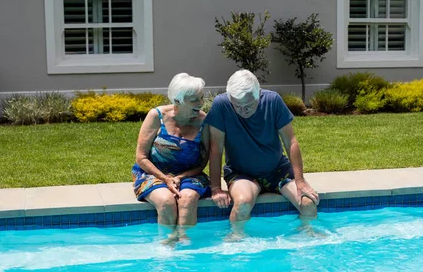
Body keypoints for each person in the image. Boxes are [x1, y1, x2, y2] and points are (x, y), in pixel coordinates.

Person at [205, 70, 319, 233]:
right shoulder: (221, 105)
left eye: (248, 105)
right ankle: (237, 241)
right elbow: (216, 149)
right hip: (242, 173)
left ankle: (306, 238)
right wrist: (215, 188)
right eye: (237, 106)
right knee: (243, 203)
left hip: (277, 170)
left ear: (258, 93)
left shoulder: (273, 101)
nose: (243, 111)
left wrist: (300, 182)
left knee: (307, 203)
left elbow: (291, 141)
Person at [132, 73, 210, 242]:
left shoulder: (204, 121)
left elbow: (203, 161)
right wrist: (165, 179)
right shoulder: (156, 116)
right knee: (166, 202)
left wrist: (181, 177)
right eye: (194, 99)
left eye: (201, 98)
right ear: (177, 101)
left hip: (190, 174)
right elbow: (141, 157)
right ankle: (166, 246)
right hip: (153, 173)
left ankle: (186, 246)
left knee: (188, 199)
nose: (201, 103)